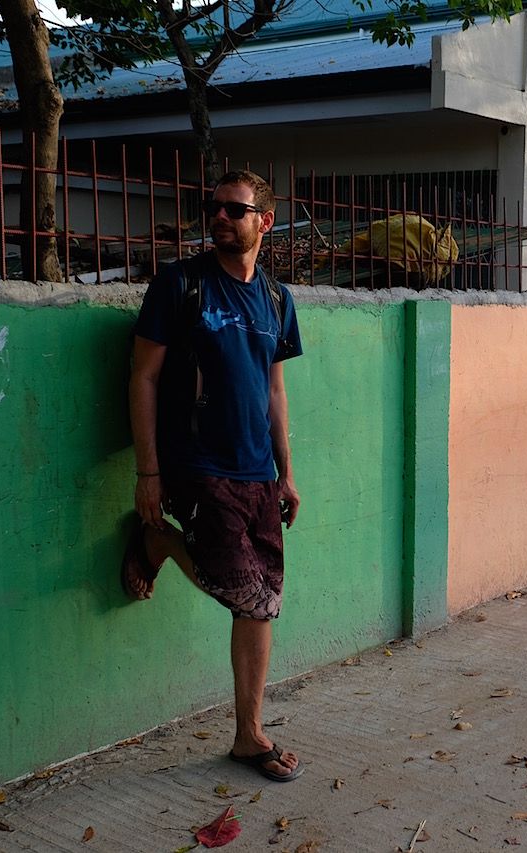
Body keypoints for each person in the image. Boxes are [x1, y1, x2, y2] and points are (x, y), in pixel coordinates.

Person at [122, 170, 305, 782]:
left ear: (265, 222)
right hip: (196, 465)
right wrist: (149, 471)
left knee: (263, 602)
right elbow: (144, 376)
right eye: (214, 207)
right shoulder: (181, 284)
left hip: (256, 471)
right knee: (244, 591)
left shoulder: (276, 299)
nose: (220, 216)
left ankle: (249, 736)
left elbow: (274, 391)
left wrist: (285, 473)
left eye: (235, 209)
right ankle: (160, 540)